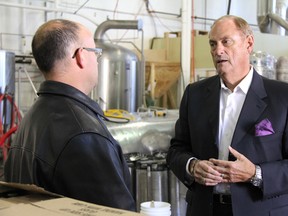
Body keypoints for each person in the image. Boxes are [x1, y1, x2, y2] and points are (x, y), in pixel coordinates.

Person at [4, 19, 135, 211]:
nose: (97, 60)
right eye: (96, 53)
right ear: (81, 56)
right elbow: (116, 212)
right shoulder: (85, 134)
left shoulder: (33, 117)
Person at [166, 14, 288, 216]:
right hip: (204, 209)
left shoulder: (282, 97)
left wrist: (254, 174)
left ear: (248, 44)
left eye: (226, 42)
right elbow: (176, 150)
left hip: (259, 210)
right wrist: (192, 166)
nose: (218, 51)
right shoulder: (194, 94)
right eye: (213, 44)